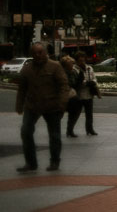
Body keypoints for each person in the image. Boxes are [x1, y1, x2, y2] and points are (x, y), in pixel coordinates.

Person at [15, 42, 70, 173]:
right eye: (34, 53)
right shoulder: (27, 69)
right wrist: (19, 105)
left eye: (40, 52)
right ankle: (30, 163)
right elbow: (22, 89)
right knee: (26, 132)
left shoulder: (55, 67)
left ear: (46, 53)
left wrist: (62, 105)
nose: (37, 55)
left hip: (52, 106)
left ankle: (55, 161)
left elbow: (64, 86)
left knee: (54, 135)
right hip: (32, 106)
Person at [73, 53, 100, 136]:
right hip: (79, 95)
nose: (82, 62)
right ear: (76, 61)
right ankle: (70, 129)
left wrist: (93, 82)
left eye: (83, 60)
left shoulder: (89, 68)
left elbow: (94, 78)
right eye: (80, 60)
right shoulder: (74, 69)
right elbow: (75, 82)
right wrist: (85, 83)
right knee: (75, 114)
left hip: (89, 94)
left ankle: (90, 129)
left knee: (89, 114)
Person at [61, 56, 81, 137]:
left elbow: (76, 83)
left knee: (74, 113)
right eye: (70, 64)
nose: (72, 65)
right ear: (65, 65)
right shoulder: (61, 73)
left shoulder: (74, 72)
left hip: (73, 97)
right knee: (58, 115)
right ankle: (54, 129)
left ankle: (70, 129)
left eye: (72, 63)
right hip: (63, 97)